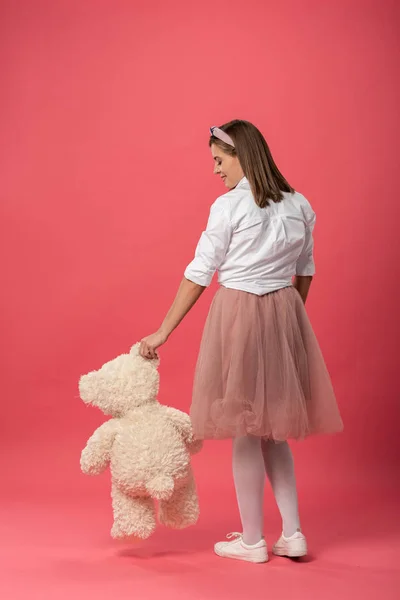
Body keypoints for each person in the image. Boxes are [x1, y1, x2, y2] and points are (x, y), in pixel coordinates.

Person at [139, 119, 343, 564]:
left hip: (239, 314)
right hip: (283, 311)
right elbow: (305, 268)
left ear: (241, 155)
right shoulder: (300, 203)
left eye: (219, 159)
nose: (215, 170)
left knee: (246, 431)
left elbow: (200, 271)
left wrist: (163, 330)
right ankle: (293, 533)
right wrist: (290, 317)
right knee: (272, 431)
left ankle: (252, 542)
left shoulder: (229, 206)